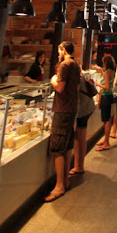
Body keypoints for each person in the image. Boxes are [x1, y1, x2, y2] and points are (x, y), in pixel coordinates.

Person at [45, 41, 80, 202]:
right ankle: (65, 180)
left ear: (63, 50)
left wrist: (53, 79)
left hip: (62, 109)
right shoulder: (76, 65)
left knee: (57, 146)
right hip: (72, 107)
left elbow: (59, 87)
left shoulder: (64, 66)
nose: (58, 53)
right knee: (67, 144)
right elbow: (77, 88)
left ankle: (59, 186)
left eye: (59, 50)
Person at [70, 70, 96, 175]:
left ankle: (80, 165)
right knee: (79, 136)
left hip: (83, 110)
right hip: (86, 108)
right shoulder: (80, 77)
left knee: (80, 137)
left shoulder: (75, 80)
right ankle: (77, 164)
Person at [95, 54, 115, 151]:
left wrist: (98, 84)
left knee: (106, 119)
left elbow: (106, 87)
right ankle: (105, 139)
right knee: (107, 119)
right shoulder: (111, 71)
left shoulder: (107, 72)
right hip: (109, 96)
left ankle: (106, 143)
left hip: (106, 97)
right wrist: (99, 70)